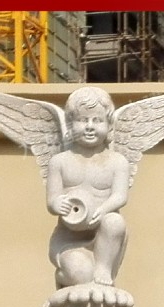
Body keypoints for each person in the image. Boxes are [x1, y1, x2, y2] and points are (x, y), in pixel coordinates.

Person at [46, 86, 129, 288]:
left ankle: (103, 269)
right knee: (82, 275)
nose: (90, 126)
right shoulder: (59, 161)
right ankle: (65, 275)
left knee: (115, 221)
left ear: (109, 126)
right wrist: (58, 204)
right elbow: (52, 200)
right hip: (68, 239)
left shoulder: (117, 161)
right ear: (70, 124)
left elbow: (120, 196)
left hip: (104, 238)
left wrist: (104, 209)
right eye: (83, 120)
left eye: (97, 120)